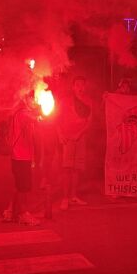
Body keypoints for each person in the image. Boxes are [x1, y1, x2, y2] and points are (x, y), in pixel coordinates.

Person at [3, 93, 42, 226]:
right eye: (32, 98)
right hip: (21, 156)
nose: (34, 100)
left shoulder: (19, 112)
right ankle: (23, 214)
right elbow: (38, 118)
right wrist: (41, 111)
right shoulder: (23, 113)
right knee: (23, 188)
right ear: (25, 99)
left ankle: (10, 211)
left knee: (19, 186)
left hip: (20, 156)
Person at [59, 76, 92, 210]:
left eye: (82, 85)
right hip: (68, 137)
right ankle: (65, 198)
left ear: (85, 87)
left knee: (77, 169)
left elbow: (90, 121)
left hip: (81, 138)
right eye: (77, 85)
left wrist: (80, 133)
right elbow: (57, 117)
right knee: (67, 168)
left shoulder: (89, 101)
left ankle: (73, 196)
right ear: (73, 87)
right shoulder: (66, 100)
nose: (80, 87)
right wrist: (60, 135)